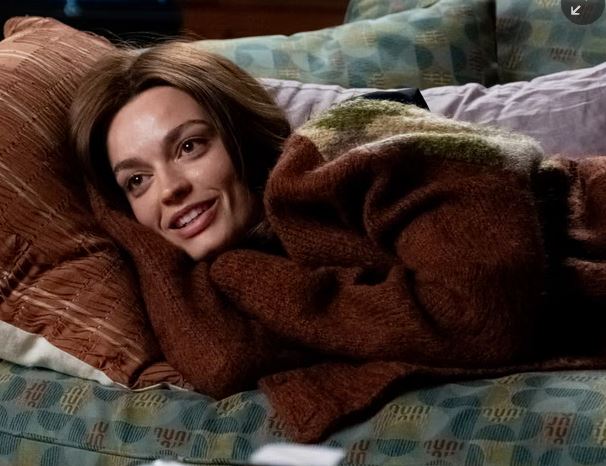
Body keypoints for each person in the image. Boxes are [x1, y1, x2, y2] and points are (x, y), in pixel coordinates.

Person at [71, 41, 603, 442]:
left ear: (241, 137)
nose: (169, 189)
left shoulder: (352, 141)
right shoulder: (245, 265)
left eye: (189, 146)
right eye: (136, 180)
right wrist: (119, 215)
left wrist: (237, 271)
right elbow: (221, 360)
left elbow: (475, 315)